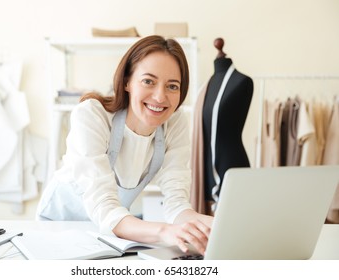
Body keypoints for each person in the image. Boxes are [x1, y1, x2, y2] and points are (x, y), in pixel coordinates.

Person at [36, 35, 213, 255]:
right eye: (148, 81)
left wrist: (208, 225)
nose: (160, 96)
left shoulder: (174, 123)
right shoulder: (92, 115)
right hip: (60, 227)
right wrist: (164, 232)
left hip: (110, 233)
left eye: (172, 86)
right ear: (127, 81)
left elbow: (177, 202)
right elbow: (104, 205)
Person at [190, 38, 253, 215]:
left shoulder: (241, 82)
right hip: (206, 167)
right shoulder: (204, 87)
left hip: (231, 164)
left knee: (236, 225)